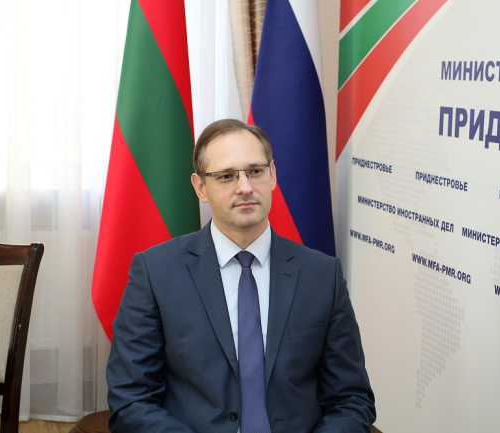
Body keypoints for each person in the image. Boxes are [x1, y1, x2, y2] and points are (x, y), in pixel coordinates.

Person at [106, 119, 375, 432]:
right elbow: (131, 399)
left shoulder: (322, 275)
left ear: (273, 176)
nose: (245, 187)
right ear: (200, 187)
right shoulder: (156, 273)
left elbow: (352, 399)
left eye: (255, 171)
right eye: (226, 176)